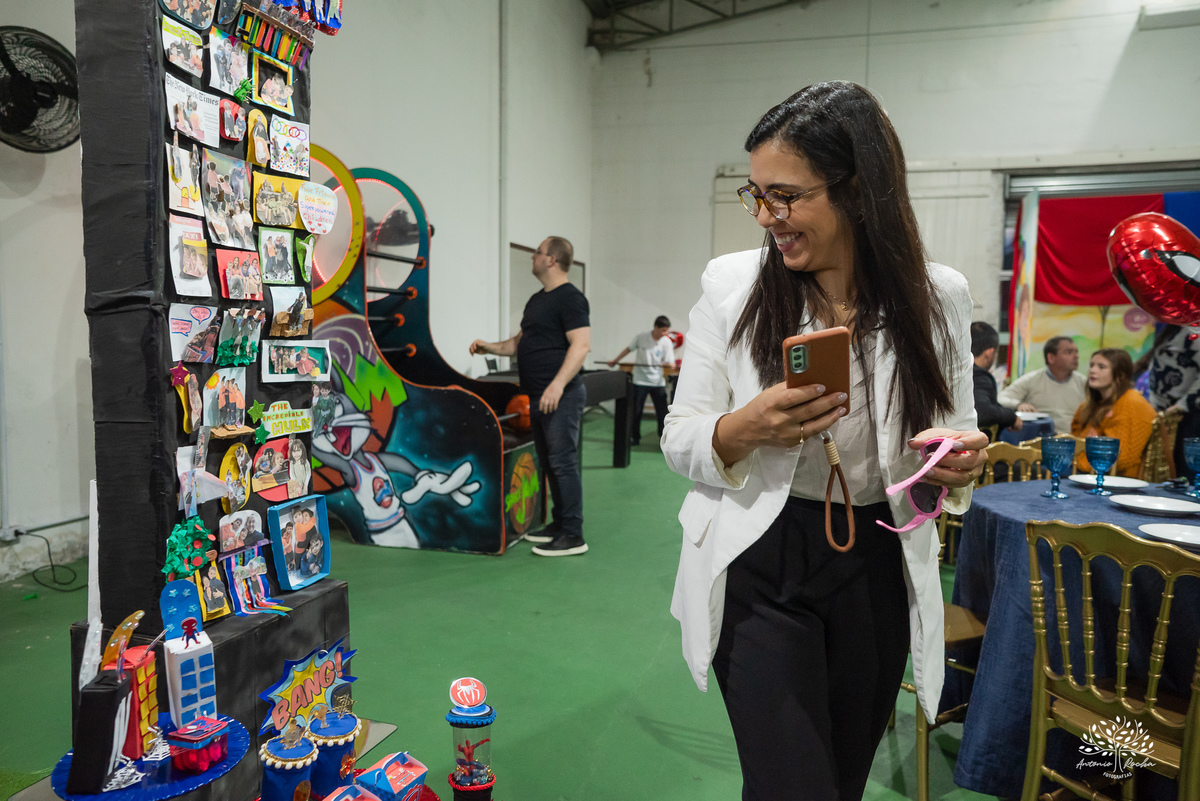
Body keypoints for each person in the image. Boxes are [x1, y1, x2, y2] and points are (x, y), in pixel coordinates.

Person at [661, 82, 986, 801]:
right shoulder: (733, 286)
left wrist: (960, 461)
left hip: (877, 561)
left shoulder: (940, 297)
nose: (768, 217)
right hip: (760, 559)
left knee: (838, 781)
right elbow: (679, 437)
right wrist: (745, 428)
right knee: (793, 787)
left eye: (787, 196)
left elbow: (960, 433)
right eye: (757, 195)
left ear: (858, 189)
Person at [470, 236, 591, 557]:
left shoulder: (571, 299)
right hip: (537, 395)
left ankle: (573, 535)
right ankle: (559, 523)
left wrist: (557, 385)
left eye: (538, 252)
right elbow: (516, 343)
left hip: (559, 395)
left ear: (552, 260)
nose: (533, 257)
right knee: (550, 463)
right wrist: (489, 347)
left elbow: (581, 346)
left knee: (563, 463)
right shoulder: (538, 300)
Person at [1071, 348, 1156, 477]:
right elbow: (1075, 438)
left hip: (1117, 479)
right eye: (1092, 365)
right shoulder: (1089, 405)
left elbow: (1121, 457)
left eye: (1101, 367)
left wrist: (1077, 458)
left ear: (1120, 375)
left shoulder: (1131, 403)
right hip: (1086, 469)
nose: (1093, 370)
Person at [1135, 324, 1200, 472]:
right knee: (1166, 468)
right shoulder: (1169, 329)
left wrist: (1183, 405)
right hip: (1164, 412)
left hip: (1187, 414)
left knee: (1186, 466)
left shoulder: (1193, 332)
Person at [608, 315, 676, 446]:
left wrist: (672, 367)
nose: (665, 333)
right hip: (640, 381)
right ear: (655, 327)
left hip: (657, 382)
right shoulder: (641, 337)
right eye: (663, 330)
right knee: (636, 411)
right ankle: (635, 437)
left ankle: (663, 440)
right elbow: (629, 349)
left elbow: (670, 363)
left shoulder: (666, 342)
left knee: (662, 413)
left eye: (667, 331)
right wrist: (616, 360)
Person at [998, 336, 1086, 435]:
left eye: (1076, 352)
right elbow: (1001, 398)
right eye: (1069, 352)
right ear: (1051, 358)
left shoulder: (1083, 383)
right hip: (1040, 441)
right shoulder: (1032, 379)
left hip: (1074, 440)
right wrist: (1018, 404)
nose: (1076, 356)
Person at [970, 322, 1021, 439]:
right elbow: (983, 411)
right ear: (990, 352)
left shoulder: (954, 370)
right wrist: (1011, 418)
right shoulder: (978, 376)